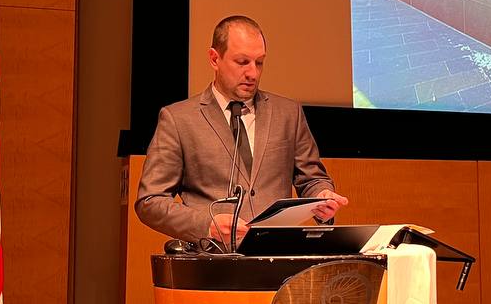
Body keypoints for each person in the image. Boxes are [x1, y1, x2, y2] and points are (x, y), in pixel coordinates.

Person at [135, 15, 348, 245]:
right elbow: (150, 201)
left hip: (277, 255)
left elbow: (312, 179)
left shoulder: (288, 113)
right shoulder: (179, 120)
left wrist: (322, 196)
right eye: (242, 62)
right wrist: (207, 224)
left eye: (259, 62)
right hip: (214, 259)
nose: (253, 73)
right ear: (214, 59)